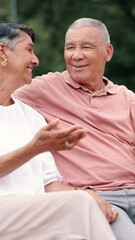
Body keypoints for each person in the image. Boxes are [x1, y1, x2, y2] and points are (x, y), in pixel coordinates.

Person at [12, 17, 135, 240]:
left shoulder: (127, 99)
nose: (76, 55)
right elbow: (5, 91)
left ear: (108, 52)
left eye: (86, 47)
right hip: (97, 197)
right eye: (70, 47)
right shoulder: (43, 90)